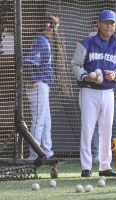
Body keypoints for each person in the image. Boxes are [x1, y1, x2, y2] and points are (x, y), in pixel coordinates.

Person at [71, 10, 116, 177]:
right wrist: (85, 76)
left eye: (112, 23)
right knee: (88, 129)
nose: (108, 26)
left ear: (115, 25)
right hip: (89, 91)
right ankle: (86, 167)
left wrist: (115, 75)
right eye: (105, 23)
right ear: (99, 24)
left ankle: (105, 166)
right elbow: (75, 64)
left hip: (109, 92)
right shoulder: (85, 43)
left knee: (106, 130)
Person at [89, 20, 116, 164]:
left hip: (113, 94)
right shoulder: (88, 45)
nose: (97, 31)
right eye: (95, 28)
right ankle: (96, 156)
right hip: (93, 93)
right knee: (94, 125)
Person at [23, 15, 60, 160]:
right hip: (37, 84)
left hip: (42, 85)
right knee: (38, 121)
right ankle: (34, 155)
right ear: (48, 27)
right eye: (55, 25)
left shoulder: (44, 40)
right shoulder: (41, 41)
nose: (57, 28)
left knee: (46, 120)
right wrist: (31, 78)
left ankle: (47, 152)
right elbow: (27, 61)